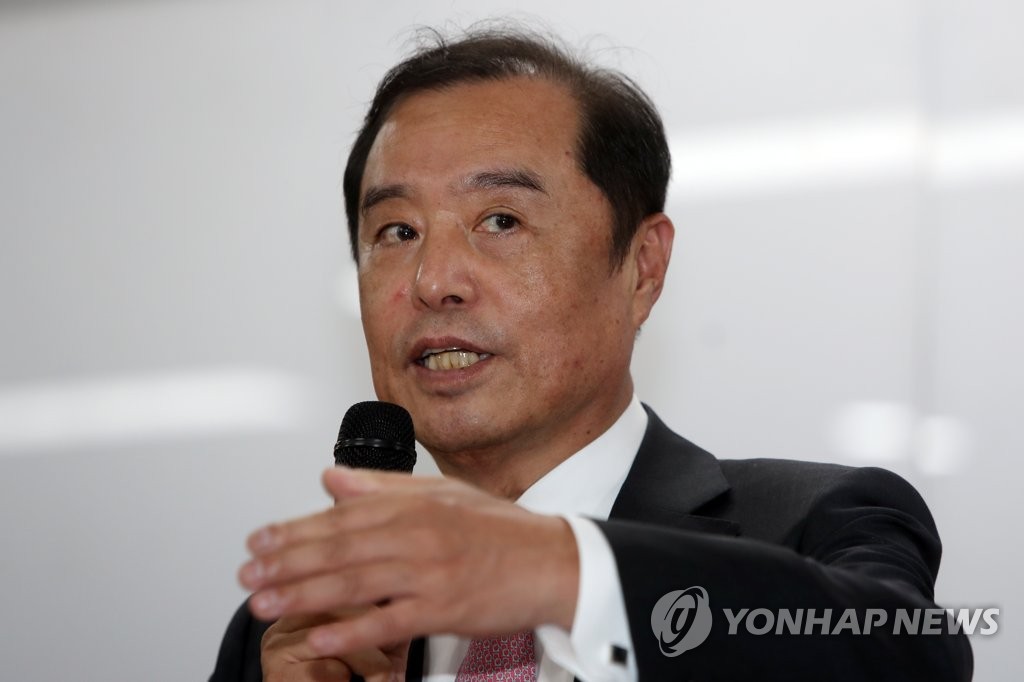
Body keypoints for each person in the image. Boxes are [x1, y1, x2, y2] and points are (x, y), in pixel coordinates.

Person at [210, 26, 973, 682]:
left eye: (500, 220)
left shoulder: (817, 524)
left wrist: (560, 568)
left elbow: (910, 659)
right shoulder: (293, 626)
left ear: (642, 268)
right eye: (396, 232)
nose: (433, 281)